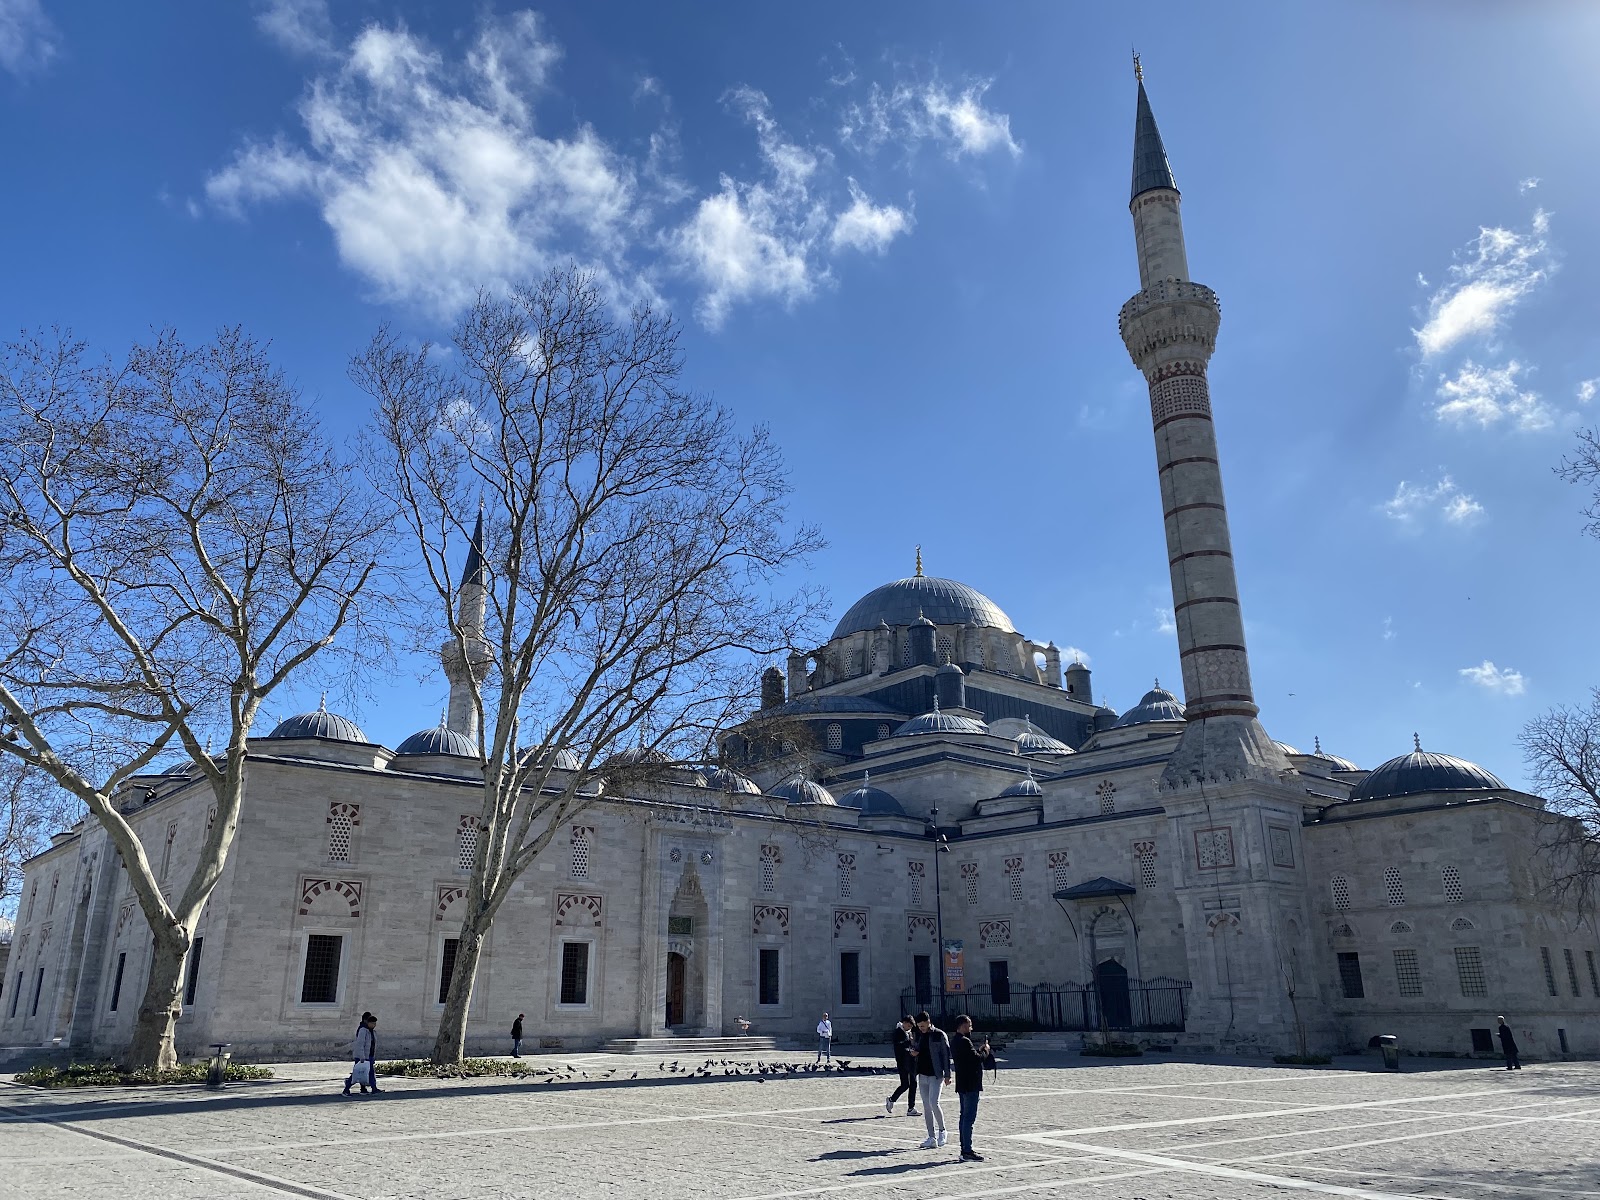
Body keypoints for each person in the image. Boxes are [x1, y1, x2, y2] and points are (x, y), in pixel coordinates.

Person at [950, 1014, 993, 1161]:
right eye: (969, 1025)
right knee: (969, 1118)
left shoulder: (955, 1041)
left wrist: (979, 1050)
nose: (971, 1028)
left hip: (962, 1083)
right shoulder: (964, 1041)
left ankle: (964, 1148)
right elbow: (976, 1059)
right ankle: (967, 1150)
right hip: (970, 1084)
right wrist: (986, 1050)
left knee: (964, 1117)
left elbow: (971, 1056)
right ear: (962, 1026)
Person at [910, 1010, 951, 1149]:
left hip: (935, 1074)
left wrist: (947, 1074)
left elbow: (945, 1055)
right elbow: (915, 1048)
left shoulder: (939, 1035)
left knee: (934, 1102)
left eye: (923, 1025)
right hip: (922, 1074)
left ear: (928, 1022)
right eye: (919, 1026)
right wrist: (913, 1051)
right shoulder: (918, 1035)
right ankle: (931, 1136)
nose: (921, 1028)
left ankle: (942, 1131)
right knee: (926, 1106)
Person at [885, 1015, 920, 1117]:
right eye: (908, 1025)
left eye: (910, 1026)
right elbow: (899, 1046)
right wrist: (909, 1044)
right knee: (905, 1084)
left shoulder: (908, 1033)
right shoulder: (898, 1032)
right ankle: (892, 1099)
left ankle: (910, 1107)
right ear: (904, 1023)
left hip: (910, 1061)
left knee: (913, 1083)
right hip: (902, 1062)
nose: (909, 1028)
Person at [343, 1012, 380, 1096]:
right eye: (372, 1023)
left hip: (369, 1056)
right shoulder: (363, 1030)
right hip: (362, 1057)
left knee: (369, 1073)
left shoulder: (372, 1032)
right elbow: (360, 1044)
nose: (374, 1025)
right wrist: (362, 1057)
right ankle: (346, 1088)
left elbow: (372, 1045)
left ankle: (372, 1088)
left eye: (375, 1023)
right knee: (357, 1074)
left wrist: (372, 1057)